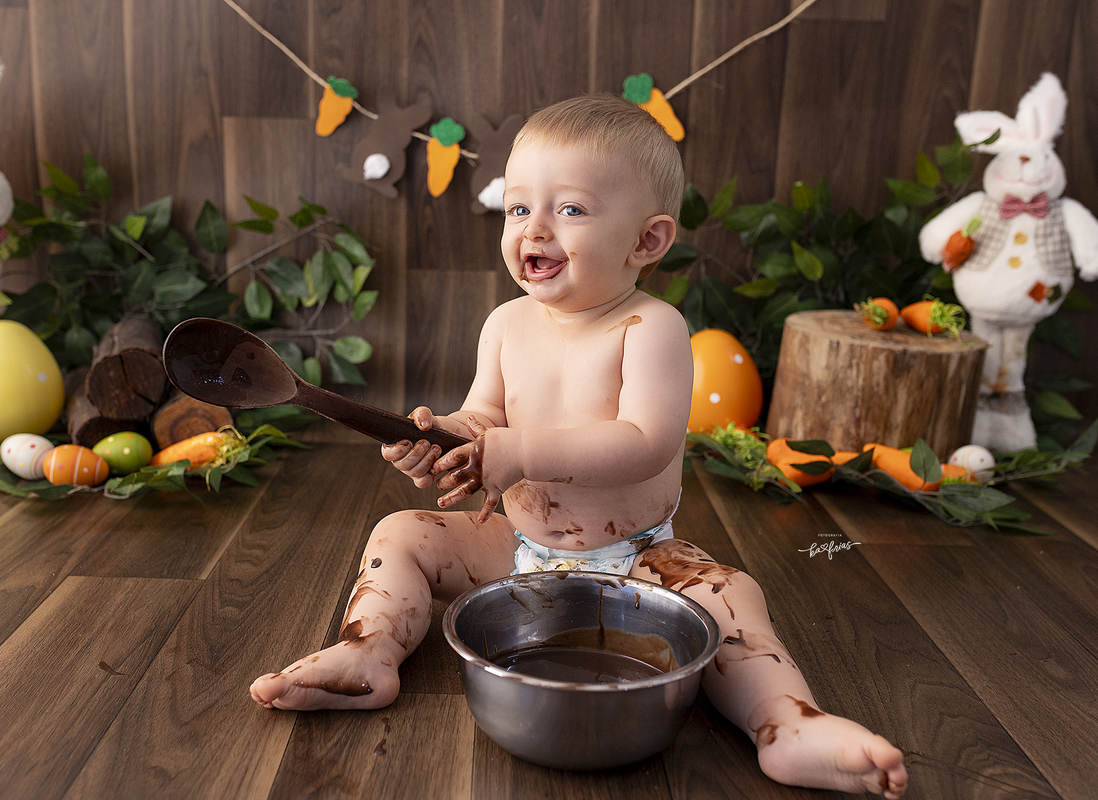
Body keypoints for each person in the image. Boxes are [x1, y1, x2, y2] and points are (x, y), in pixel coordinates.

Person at [250, 94, 907, 798]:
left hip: (640, 558)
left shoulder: (649, 328)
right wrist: (443, 439)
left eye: (570, 210)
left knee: (730, 596)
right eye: (517, 207)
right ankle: (369, 650)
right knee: (400, 532)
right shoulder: (506, 324)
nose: (534, 229)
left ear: (647, 242)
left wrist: (520, 452)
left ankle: (786, 723)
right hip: (520, 549)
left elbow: (644, 443)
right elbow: (483, 416)